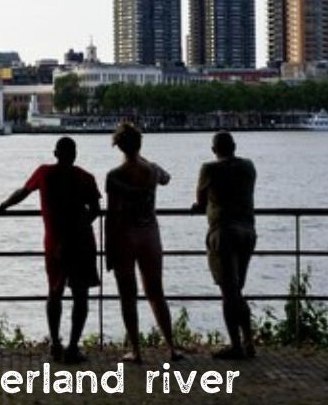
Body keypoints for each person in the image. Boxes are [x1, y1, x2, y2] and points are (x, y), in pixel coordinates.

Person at [0, 137, 101, 363]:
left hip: (54, 243)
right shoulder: (85, 178)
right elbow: (95, 210)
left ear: (56, 153)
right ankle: (73, 347)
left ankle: (55, 344)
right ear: (75, 154)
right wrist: (77, 227)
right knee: (80, 295)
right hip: (81, 242)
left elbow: (23, 192)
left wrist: (2, 206)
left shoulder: (44, 173)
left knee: (54, 292)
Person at [105, 122, 182, 363]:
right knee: (156, 292)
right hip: (150, 234)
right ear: (140, 144)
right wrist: (146, 160)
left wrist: (108, 250)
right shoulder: (153, 170)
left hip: (124, 235)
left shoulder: (114, 176)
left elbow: (111, 214)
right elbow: (167, 179)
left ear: (119, 147)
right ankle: (171, 347)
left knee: (127, 295)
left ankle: (136, 351)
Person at [192, 130, 257, 360]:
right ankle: (249, 341)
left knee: (229, 292)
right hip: (248, 231)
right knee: (237, 289)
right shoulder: (248, 167)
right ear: (234, 146)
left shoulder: (209, 169)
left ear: (214, 150)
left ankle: (237, 345)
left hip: (224, 232)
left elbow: (200, 203)